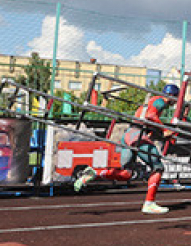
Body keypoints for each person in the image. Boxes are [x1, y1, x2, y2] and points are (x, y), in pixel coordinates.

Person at [74, 83, 181, 214]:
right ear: (171, 95)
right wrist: (165, 129)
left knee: (126, 173)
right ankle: (149, 203)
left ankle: (95, 173)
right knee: (158, 168)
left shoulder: (151, 101)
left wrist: (160, 132)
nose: (176, 102)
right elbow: (150, 116)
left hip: (129, 135)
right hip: (138, 136)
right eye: (176, 98)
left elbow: (147, 121)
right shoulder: (160, 101)